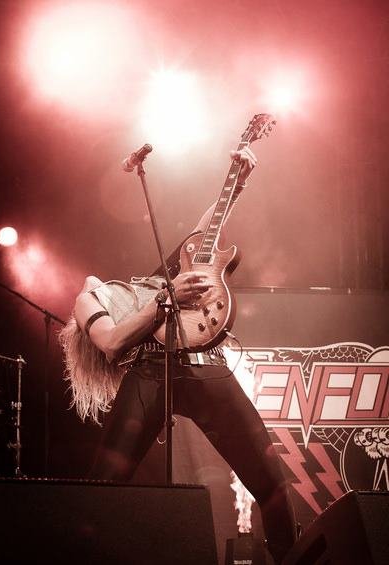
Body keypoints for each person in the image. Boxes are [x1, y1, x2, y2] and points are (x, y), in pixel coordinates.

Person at [59, 147, 297, 564]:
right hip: (149, 372)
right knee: (103, 486)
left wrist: (237, 181)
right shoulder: (88, 300)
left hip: (207, 366)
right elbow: (112, 342)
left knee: (272, 485)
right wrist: (164, 302)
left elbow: (203, 233)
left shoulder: (155, 280)